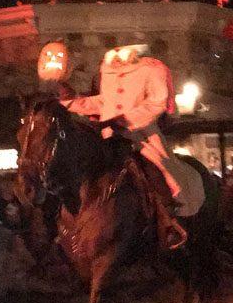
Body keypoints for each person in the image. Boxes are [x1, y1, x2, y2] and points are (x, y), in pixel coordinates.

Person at [62, 45, 203, 249]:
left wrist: (126, 119)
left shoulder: (150, 69)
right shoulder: (107, 70)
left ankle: (169, 222)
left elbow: (156, 102)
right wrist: (72, 103)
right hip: (110, 136)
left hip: (141, 135)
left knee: (155, 172)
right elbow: (105, 102)